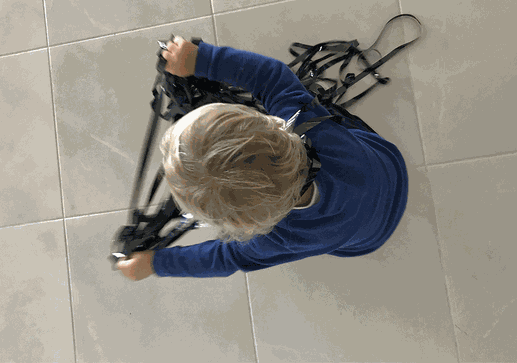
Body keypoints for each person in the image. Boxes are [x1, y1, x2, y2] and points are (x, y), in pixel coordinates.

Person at [116, 36, 409, 280]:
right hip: (389, 167)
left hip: (370, 237)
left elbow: (224, 258)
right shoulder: (305, 121)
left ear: (242, 225)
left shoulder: (280, 238)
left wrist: (154, 264)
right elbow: (270, 77)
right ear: (268, 123)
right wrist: (202, 59)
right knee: (345, 127)